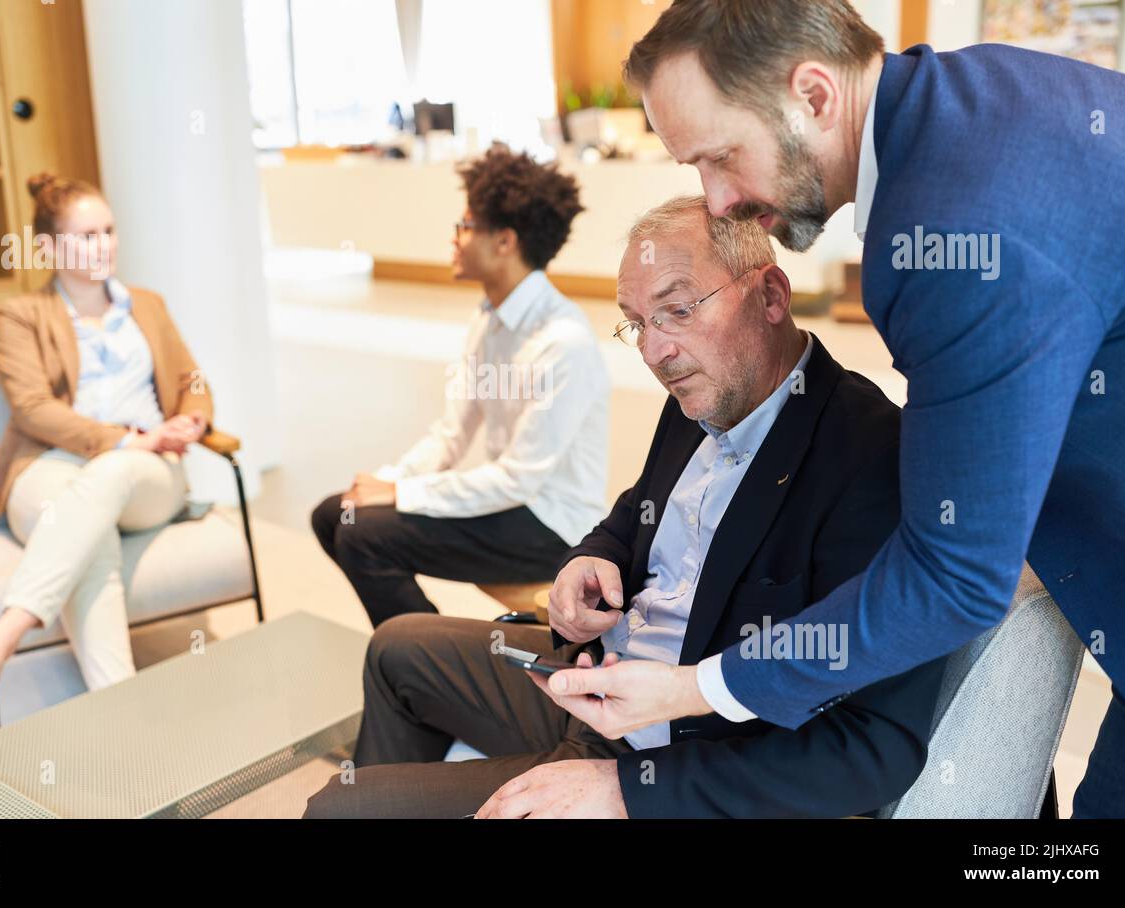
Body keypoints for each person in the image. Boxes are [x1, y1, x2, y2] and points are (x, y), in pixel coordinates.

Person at [543, 0, 1125, 817]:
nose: (715, 201)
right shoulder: (962, 107)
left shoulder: (954, 229)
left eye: (720, 157)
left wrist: (698, 689)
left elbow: (954, 578)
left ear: (815, 95)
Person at [303, 201, 946, 818]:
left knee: (338, 805)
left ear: (771, 296)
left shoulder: (868, 456)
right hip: (600, 685)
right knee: (396, 649)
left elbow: (871, 749)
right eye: (637, 323)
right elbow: (638, 507)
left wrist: (626, 793)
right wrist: (593, 556)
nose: (654, 351)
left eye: (676, 310)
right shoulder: (703, 395)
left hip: (670, 760)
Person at [0, 173, 213, 709]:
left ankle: (0, 639)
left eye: (108, 231)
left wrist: (192, 422)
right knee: (91, 537)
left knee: (109, 476)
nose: (104, 245)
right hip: (47, 466)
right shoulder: (22, 315)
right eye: (85, 236)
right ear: (47, 247)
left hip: (147, 474)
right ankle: (121, 714)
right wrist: (122, 439)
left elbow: (192, 383)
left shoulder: (148, 305)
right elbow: (32, 408)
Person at [310, 144, 609, 627]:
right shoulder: (489, 318)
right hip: (511, 504)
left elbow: (519, 478)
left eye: (465, 226)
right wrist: (390, 480)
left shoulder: (562, 341)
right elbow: (452, 431)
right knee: (335, 515)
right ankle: (420, 643)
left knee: (362, 535)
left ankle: (423, 657)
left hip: (551, 526)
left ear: (505, 242)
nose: (454, 238)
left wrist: (403, 494)